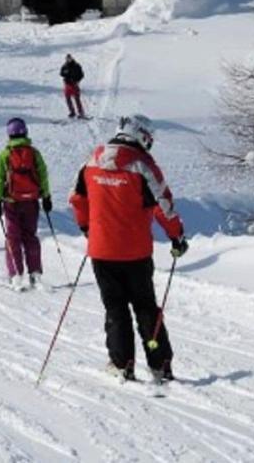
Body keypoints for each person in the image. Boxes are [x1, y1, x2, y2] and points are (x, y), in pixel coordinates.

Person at [70, 113, 188, 384]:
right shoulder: (143, 165)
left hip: (101, 250)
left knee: (115, 308)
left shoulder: (91, 161)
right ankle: (160, 364)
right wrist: (177, 236)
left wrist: (88, 228)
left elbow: (76, 198)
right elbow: (164, 205)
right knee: (146, 307)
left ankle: (122, 363)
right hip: (135, 252)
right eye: (149, 139)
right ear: (141, 136)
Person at [0, 117, 53, 291]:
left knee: (13, 238)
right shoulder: (34, 153)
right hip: (31, 201)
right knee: (30, 237)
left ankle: (16, 275)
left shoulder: (5, 154)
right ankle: (35, 274)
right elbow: (43, 174)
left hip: (11, 203)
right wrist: (46, 196)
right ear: (25, 132)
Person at [60, 54, 86, 119]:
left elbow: (82, 74)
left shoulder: (77, 66)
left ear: (72, 58)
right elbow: (61, 73)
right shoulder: (64, 66)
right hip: (67, 84)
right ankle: (72, 112)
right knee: (67, 99)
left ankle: (81, 112)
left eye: (69, 59)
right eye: (67, 59)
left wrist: (78, 81)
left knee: (77, 99)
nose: (68, 60)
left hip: (74, 84)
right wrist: (65, 73)